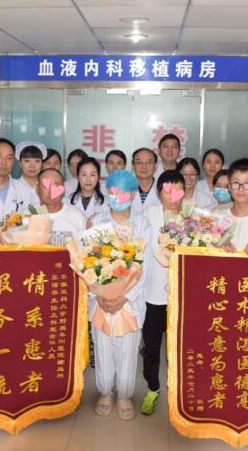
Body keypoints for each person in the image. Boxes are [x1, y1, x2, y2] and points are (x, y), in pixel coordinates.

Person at [90, 170, 151, 421]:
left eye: (125, 192)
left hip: (129, 302)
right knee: (103, 347)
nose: (119, 196)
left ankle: (125, 395)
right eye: (114, 191)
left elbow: (145, 266)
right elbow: (86, 261)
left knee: (127, 349)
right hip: (100, 300)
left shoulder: (142, 224)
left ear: (133, 194)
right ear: (107, 192)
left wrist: (124, 297)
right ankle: (105, 392)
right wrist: (99, 294)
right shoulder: (97, 221)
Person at [140, 170, 185, 416]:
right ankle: (152, 388)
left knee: (180, 347)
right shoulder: (149, 215)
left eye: (178, 190)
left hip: (183, 296)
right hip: (153, 294)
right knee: (152, 346)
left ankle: (179, 391)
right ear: (159, 193)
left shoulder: (193, 218)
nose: (173, 196)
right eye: (168, 191)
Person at [36, 167, 86, 246]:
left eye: (56, 186)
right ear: (37, 188)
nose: (51, 191)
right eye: (46, 186)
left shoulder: (77, 216)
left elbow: (86, 247)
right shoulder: (26, 215)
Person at [67, 157, 107, 222]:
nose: (88, 179)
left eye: (92, 175)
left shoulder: (107, 203)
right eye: (84, 174)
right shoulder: (66, 201)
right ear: (78, 177)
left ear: (98, 177)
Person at [14, 141, 45, 209]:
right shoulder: (13, 186)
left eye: (37, 161)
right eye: (27, 161)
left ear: (42, 164)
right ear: (20, 164)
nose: (32, 166)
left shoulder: (46, 186)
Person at [130, 147, 161, 214]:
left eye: (149, 162)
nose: (144, 166)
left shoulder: (163, 189)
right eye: (139, 162)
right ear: (133, 166)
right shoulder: (123, 189)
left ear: (155, 166)